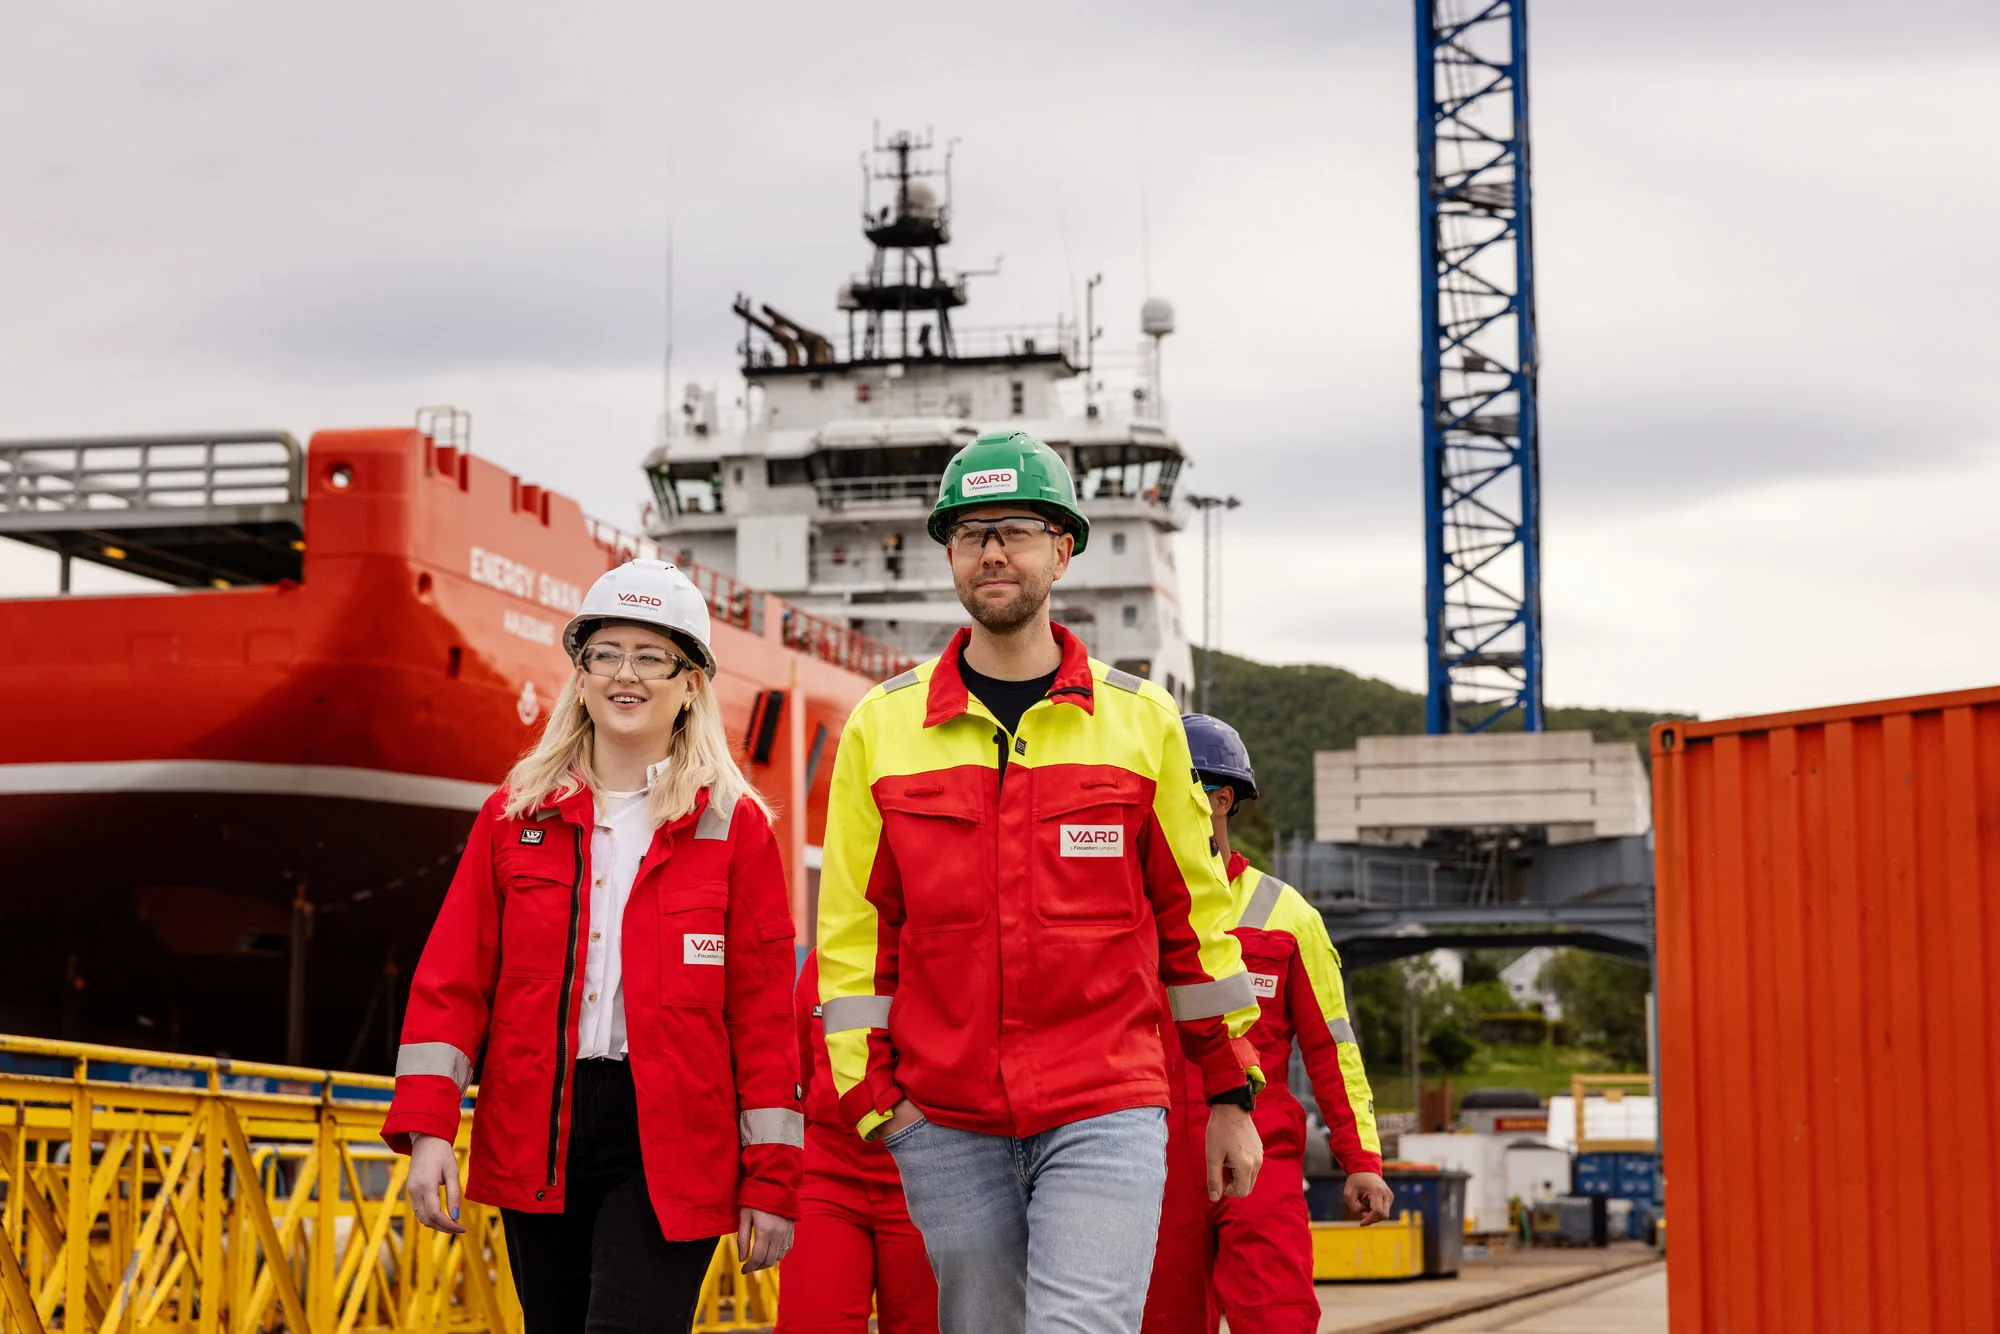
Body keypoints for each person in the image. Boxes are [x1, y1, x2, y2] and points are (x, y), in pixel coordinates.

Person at [815, 429, 1267, 1334]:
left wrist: (1229, 1094)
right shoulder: (881, 727)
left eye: (1017, 529)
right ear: (948, 551)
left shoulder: (1141, 724)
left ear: (1061, 549)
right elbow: (854, 937)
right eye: (972, 531)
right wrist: (879, 1108)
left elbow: (1196, 927)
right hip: (944, 1120)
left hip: (1107, 1102)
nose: (993, 551)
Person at [381, 559, 802, 1334]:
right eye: (604, 654)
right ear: (579, 676)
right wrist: (430, 1128)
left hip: (671, 1135)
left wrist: (772, 1179)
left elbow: (764, 1016)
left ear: (691, 684)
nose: (624, 675)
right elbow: (452, 981)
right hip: (540, 1122)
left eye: (651, 657)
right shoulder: (515, 815)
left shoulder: (732, 828)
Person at [1141, 714, 1393, 1334]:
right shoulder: (1128, 906)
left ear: (1219, 799)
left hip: (1261, 1156)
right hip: (1151, 1154)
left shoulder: (1287, 915)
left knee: (1276, 1316)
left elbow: (1331, 1045)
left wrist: (1360, 1157)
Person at [777, 950, 940, 1333]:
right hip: (828, 1174)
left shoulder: (946, 952)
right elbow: (796, 1075)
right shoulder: (824, 961)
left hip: (929, 1174)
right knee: (811, 1322)